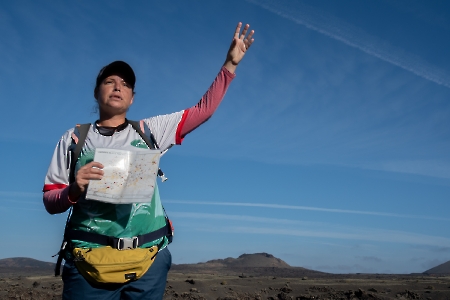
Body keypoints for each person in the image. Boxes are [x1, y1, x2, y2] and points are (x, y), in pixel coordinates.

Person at [42, 22, 254, 299]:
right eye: (109, 81)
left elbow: (202, 111)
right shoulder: (74, 139)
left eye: (126, 84)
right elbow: (50, 201)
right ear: (96, 93)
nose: (118, 86)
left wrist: (230, 65)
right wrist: (74, 189)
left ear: (132, 98)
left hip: (148, 263)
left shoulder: (150, 131)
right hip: (88, 266)